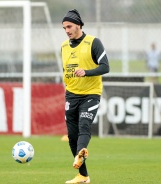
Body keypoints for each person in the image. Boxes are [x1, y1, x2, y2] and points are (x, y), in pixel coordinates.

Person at [61, 9, 109, 184]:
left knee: (84, 125)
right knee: (72, 136)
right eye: (64, 27)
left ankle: (81, 151)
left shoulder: (94, 43)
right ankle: (83, 176)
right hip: (71, 95)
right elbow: (65, 70)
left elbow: (105, 67)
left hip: (91, 94)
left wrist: (87, 72)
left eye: (69, 26)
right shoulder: (64, 46)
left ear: (79, 25)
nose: (67, 30)